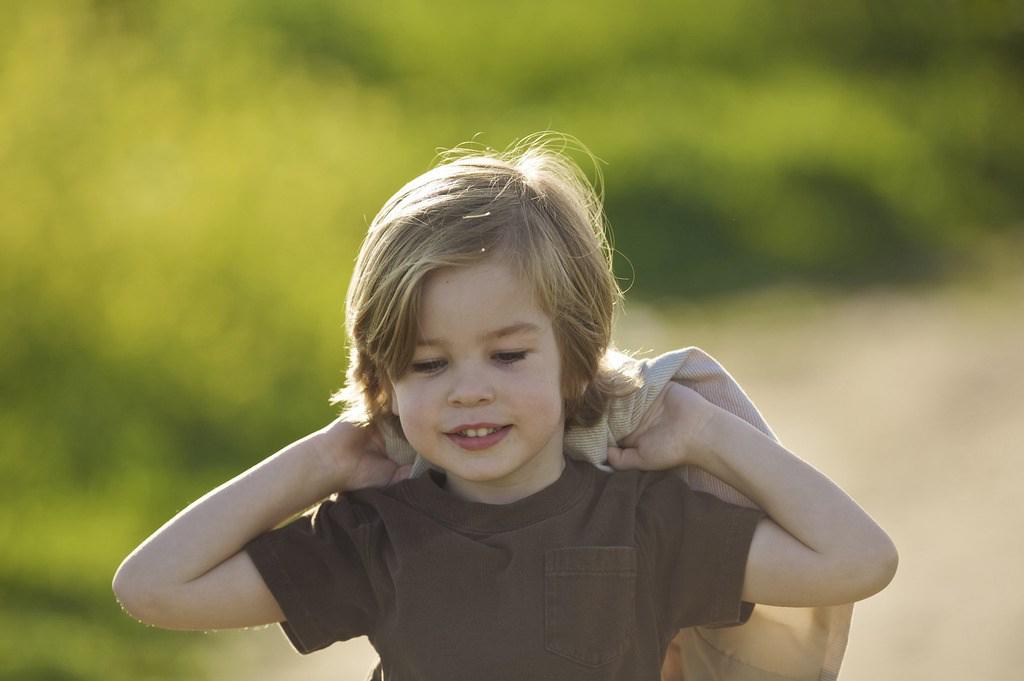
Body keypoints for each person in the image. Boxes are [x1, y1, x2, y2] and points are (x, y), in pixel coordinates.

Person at [112, 133, 897, 680]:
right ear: (383, 379)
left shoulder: (647, 523)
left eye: (508, 353)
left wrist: (701, 432)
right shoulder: (379, 536)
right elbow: (152, 587)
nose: (469, 388)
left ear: (576, 359)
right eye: (427, 363)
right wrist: (324, 459)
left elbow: (858, 561)